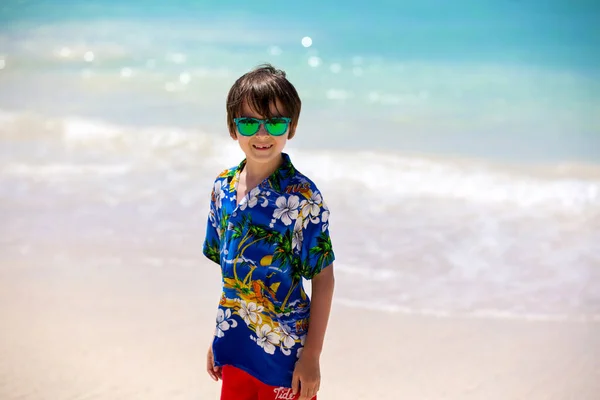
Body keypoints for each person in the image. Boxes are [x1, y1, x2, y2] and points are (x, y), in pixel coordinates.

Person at [202, 64, 336, 400]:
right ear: (234, 129)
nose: (262, 134)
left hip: (286, 360)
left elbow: (323, 279)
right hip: (235, 348)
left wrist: (312, 357)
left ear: (291, 128)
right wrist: (218, 336)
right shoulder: (223, 187)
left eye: (275, 122)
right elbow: (232, 274)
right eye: (249, 122)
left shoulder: (302, 197)